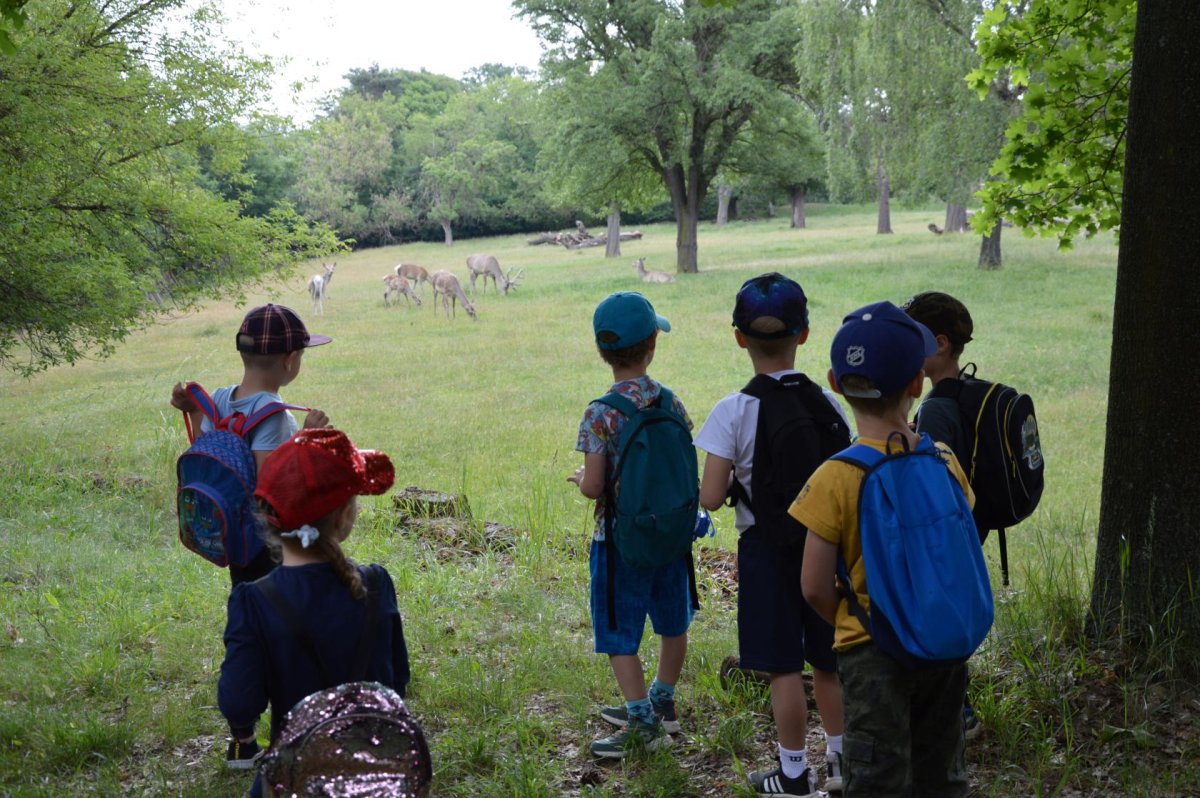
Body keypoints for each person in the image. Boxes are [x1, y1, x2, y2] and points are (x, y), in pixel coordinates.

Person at [793, 301, 973, 797]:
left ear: (834, 381)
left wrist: (854, 617)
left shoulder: (834, 476)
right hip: (943, 641)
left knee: (876, 777)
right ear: (917, 383)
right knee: (941, 769)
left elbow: (813, 586)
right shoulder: (943, 460)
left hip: (871, 649)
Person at [694, 273, 848, 796]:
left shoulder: (733, 410)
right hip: (827, 548)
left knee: (783, 668)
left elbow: (710, 496)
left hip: (766, 550)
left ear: (739, 338)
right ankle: (842, 766)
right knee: (828, 662)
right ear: (804, 334)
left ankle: (794, 775)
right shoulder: (829, 403)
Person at [170, 303, 333, 768]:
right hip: (271, 550)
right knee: (285, 637)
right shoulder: (275, 418)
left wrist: (190, 405)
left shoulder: (220, 400)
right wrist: (308, 441)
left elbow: (213, 453)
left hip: (233, 543)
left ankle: (242, 739)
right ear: (290, 361)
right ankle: (291, 735)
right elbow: (273, 492)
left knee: (246, 627)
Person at [219, 428, 411, 798]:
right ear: (343, 517)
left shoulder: (253, 602)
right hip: (376, 775)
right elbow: (397, 682)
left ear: (269, 520)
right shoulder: (376, 584)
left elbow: (238, 703)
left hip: (296, 777)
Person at [568, 291, 695, 758]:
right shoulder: (671, 401)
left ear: (602, 351)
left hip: (619, 542)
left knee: (619, 632)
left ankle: (641, 721)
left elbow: (594, 486)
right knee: (672, 621)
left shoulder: (599, 413)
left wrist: (582, 478)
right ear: (652, 345)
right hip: (672, 536)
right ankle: (663, 701)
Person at [902, 291, 983, 740]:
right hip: (969, 522)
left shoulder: (934, 408)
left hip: (944, 529)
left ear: (940, 343)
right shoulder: (968, 392)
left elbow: (933, 478)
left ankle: (959, 714)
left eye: (912, 336)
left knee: (939, 617)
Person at [258, 681, 432, 798]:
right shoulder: (378, 629)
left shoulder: (267, 632)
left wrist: (245, 734)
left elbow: (244, 704)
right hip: (380, 741)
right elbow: (400, 680)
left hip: (300, 755)